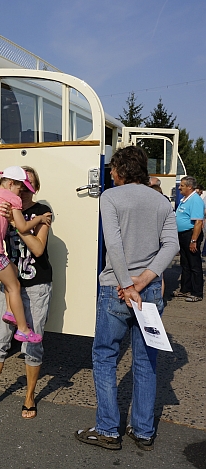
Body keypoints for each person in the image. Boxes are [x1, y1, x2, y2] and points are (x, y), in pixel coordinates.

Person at [75, 145, 178, 451]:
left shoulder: (110, 197)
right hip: (148, 293)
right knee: (146, 362)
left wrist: (127, 284)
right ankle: (144, 431)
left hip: (116, 290)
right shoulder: (161, 201)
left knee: (105, 357)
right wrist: (145, 279)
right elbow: (171, 245)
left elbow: (114, 246)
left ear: (118, 171)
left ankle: (108, 429)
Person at [0, 166, 53, 419]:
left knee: (32, 346)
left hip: (37, 285)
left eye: (28, 185)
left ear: (34, 188)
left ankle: (29, 397)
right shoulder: (5, 202)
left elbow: (38, 249)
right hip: (9, 285)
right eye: (20, 183)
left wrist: (16, 224)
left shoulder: (42, 212)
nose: (23, 189)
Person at [0, 166, 51, 345]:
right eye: (19, 187)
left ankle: (9, 310)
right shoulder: (12, 198)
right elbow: (23, 227)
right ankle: (23, 329)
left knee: (13, 271)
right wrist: (39, 219)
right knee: (14, 285)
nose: (21, 192)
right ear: (11, 183)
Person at [172, 176, 204, 302]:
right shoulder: (185, 199)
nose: (179, 187)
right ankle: (185, 289)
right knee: (185, 263)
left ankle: (197, 292)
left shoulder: (195, 200)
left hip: (190, 235)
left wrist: (193, 240)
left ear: (190, 187)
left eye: (182, 185)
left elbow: (198, 222)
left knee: (194, 264)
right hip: (183, 235)